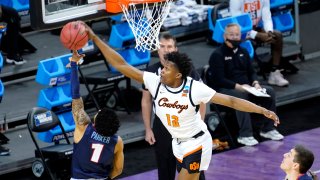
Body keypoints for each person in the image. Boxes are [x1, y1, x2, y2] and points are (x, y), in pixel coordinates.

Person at [82, 21, 280, 180]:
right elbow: (120, 64)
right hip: (177, 142)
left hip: (196, 144)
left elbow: (232, 101)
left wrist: (261, 110)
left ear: (178, 76)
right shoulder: (154, 81)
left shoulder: (194, 87)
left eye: (167, 69)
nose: (163, 70)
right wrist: (95, 38)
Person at [141, 33, 206, 180]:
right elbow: (146, 101)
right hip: (162, 126)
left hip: (185, 125)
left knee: (193, 169)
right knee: (164, 170)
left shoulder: (187, 70)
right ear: (157, 50)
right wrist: (148, 129)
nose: (165, 50)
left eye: (169, 46)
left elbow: (202, 99)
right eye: (162, 46)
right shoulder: (151, 71)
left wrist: (200, 125)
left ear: (175, 49)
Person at [207, 23, 283, 146]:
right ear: (225, 36)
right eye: (231, 34)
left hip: (248, 88)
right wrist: (239, 87)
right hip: (225, 90)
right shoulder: (217, 55)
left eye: (237, 34)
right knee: (240, 96)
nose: (235, 37)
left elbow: (251, 72)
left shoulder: (243, 52)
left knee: (269, 92)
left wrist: (256, 83)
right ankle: (245, 135)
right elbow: (219, 79)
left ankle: (268, 129)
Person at [69, 51, 124, 180]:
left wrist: (73, 65)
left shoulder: (83, 128)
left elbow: (75, 95)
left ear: (96, 121)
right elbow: (118, 169)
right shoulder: (117, 141)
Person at [229, 0, 290, 87]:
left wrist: (269, 31)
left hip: (255, 28)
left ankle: (274, 73)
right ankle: (245, 78)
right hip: (238, 32)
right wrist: (257, 35)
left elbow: (267, 18)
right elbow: (239, 25)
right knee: (244, 41)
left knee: (277, 36)